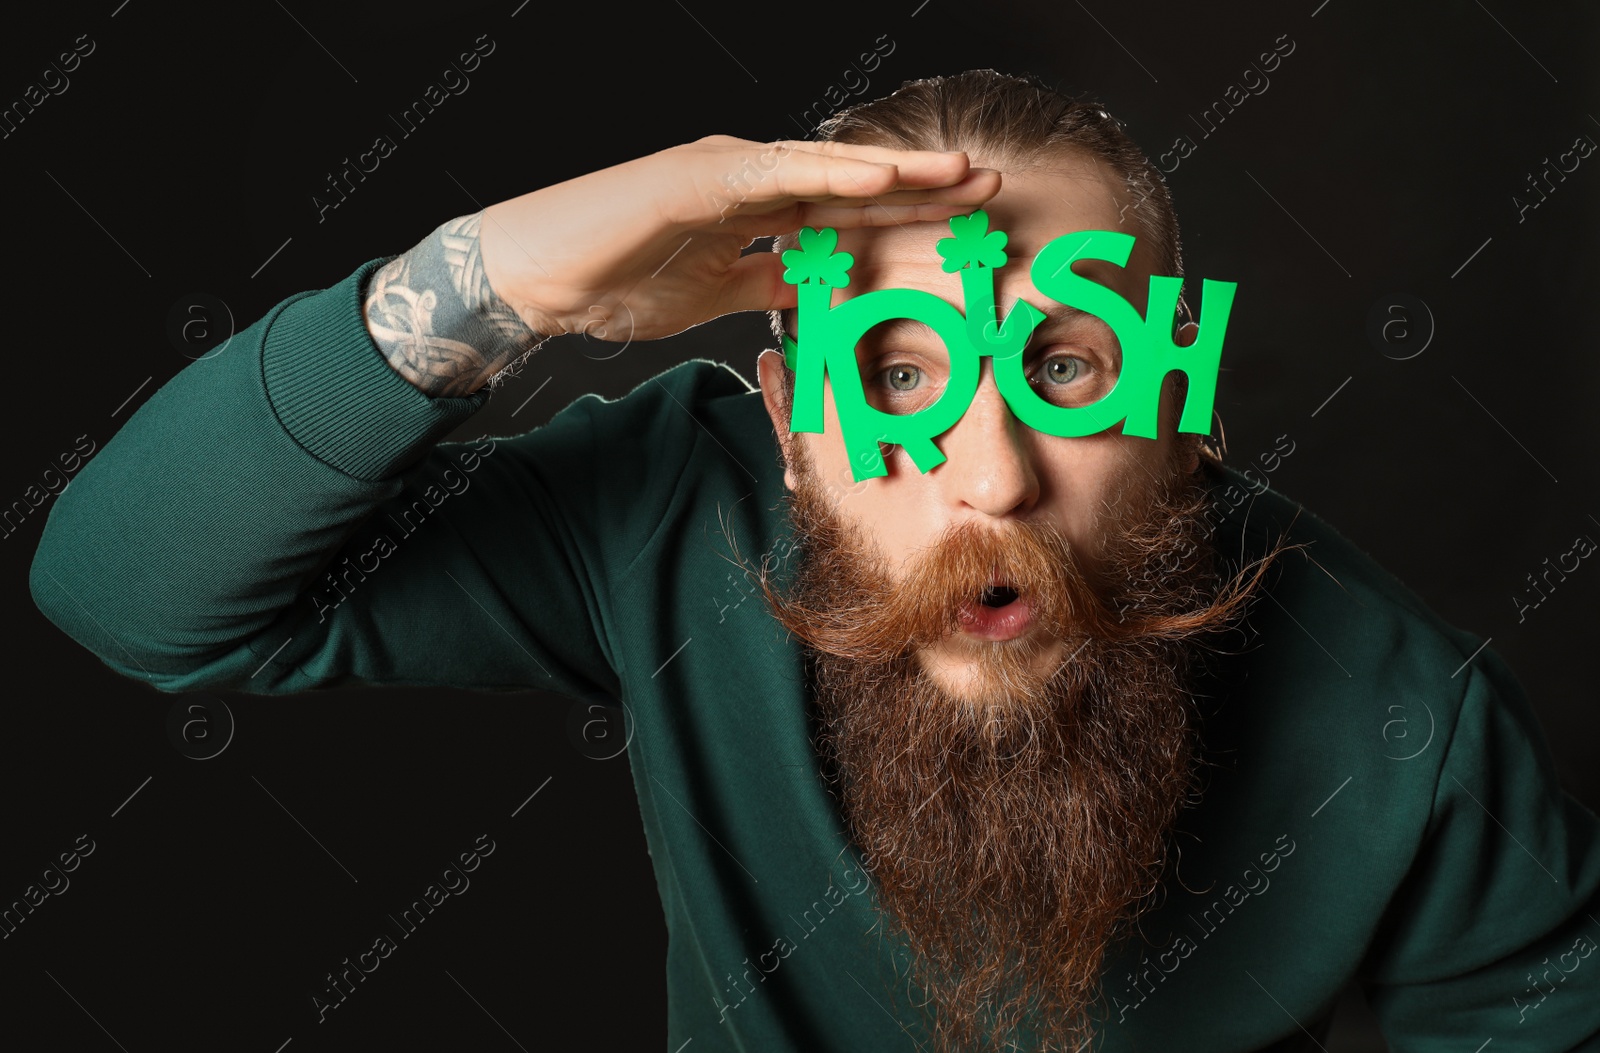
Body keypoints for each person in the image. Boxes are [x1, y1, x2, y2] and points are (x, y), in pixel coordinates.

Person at [29, 70, 1600, 1052]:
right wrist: (491, 277)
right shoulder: (666, 522)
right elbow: (125, 588)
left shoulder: (1413, 726)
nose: (990, 476)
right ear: (786, 422)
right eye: (901, 371)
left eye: (1065, 364)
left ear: (1180, 409)